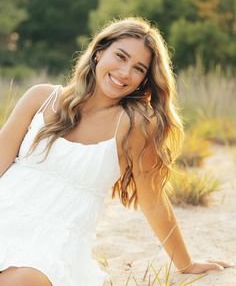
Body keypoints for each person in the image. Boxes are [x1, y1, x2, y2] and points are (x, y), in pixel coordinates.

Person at [0, 17, 232, 286]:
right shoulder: (41, 97)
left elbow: (153, 200)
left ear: (145, 80)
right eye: (120, 56)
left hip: (53, 243)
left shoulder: (135, 126)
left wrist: (186, 263)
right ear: (99, 52)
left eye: (138, 68)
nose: (124, 72)